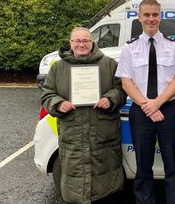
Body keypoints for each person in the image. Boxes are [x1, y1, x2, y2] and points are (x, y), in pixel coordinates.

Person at [115, 0, 175, 204]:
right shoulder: (129, 48)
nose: (151, 19)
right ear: (139, 17)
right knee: (143, 165)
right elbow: (126, 82)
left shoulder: (174, 45)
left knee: (172, 165)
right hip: (141, 111)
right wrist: (148, 106)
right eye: (146, 15)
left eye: (155, 14)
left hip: (167, 109)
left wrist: (157, 103)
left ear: (160, 16)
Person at [41, 26, 127, 204]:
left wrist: (110, 99)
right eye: (77, 41)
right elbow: (47, 94)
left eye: (86, 40)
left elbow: (121, 89)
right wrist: (58, 103)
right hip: (72, 135)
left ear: (92, 42)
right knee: (75, 186)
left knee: (106, 186)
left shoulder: (109, 64)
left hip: (103, 135)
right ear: (71, 43)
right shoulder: (57, 68)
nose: (82, 44)